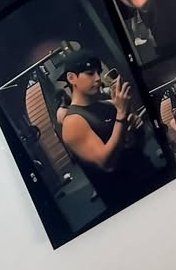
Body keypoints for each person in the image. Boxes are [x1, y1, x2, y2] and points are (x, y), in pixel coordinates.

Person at [57, 50, 161, 212]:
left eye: (98, 73)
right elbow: (107, 163)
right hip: (125, 200)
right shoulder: (73, 122)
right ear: (71, 78)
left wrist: (136, 129)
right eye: (90, 73)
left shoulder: (109, 105)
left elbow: (135, 147)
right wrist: (121, 116)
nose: (98, 78)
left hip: (149, 177)